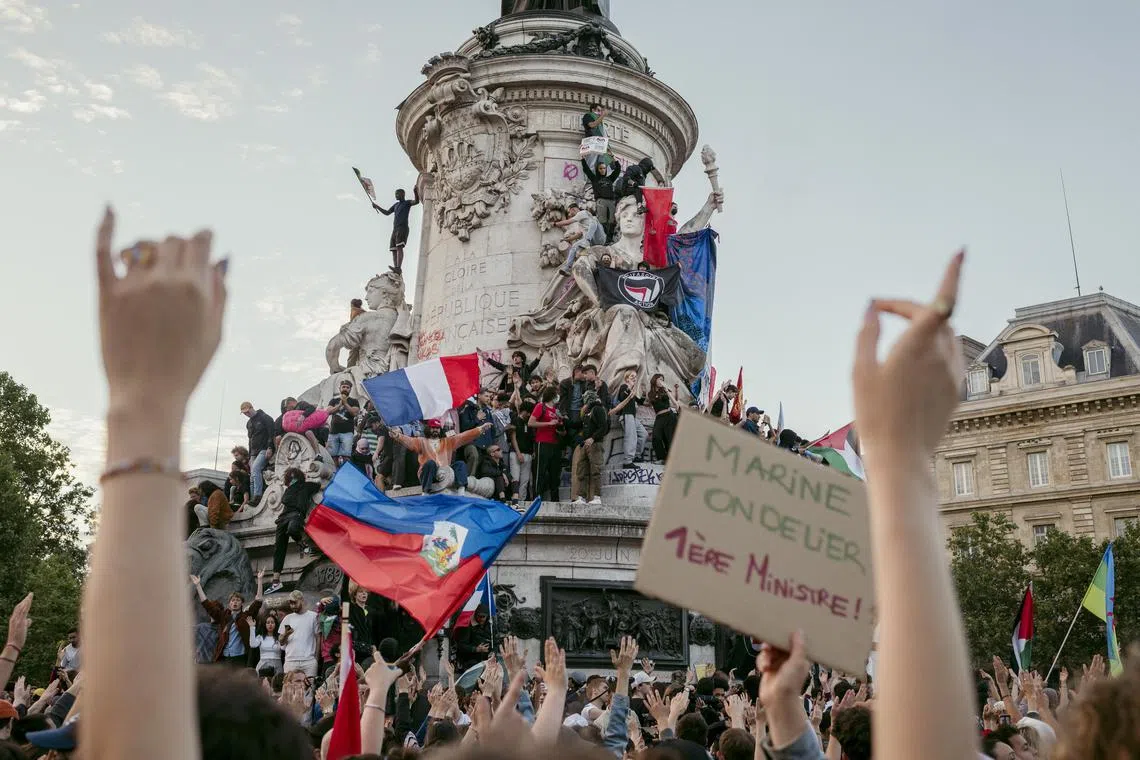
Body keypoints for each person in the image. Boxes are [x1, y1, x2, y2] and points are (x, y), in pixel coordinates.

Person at [389, 419, 491, 494]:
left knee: (460, 464)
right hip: (428, 473)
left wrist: (480, 429)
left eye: (437, 428)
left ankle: (461, 490)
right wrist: (397, 436)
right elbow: (409, 441)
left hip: (444, 473)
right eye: (433, 428)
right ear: (428, 429)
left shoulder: (448, 442)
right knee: (430, 463)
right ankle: (426, 491)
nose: (435, 430)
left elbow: (464, 436)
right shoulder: (421, 441)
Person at [191, 570, 265, 666]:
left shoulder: (246, 616)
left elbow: (258, 601)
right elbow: (207, 605)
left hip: (240, 657)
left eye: (238, 600)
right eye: (233, 600)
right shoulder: (224, 616)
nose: (235, 602)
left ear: (242, 603)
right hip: (225, 657)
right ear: (229, 604)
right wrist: (198, 586)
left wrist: (259, 580)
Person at [265, 467, 319, 595]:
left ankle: (303, 545)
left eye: (292, 477)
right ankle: (276, 581)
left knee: (292, 529)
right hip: (283, 518)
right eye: (289, 477)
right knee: (279, 547)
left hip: (296, 514)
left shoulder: (306, 486)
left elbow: (318, 485)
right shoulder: (288, 489)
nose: (291, 479)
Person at [373, 184, 422, 274]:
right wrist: (377, 206)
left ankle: (398, 267)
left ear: (402, 194)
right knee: (393, 249)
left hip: (402, 227)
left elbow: (416, 201)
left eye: (397, 194)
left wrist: (415, 192)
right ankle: (396, 268)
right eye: (395, 194)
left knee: (399, 247)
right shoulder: (396, 205)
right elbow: (387, 212)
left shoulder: (407, 203)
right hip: (395, 229)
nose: (396, 195)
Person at [572, 389, 607, 505]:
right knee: (582, 470)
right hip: (585, 444)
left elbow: (603, 427)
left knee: (595, 470)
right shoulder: (588, 411)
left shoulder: (598, 409)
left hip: (595, 444)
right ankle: (581, 497)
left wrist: (593, 438)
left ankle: (597, 497)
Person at [529, 385, 563, 502]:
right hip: (542, 442)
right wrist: (548, 424)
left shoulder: (556, 411)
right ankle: (537, 497)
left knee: (555, 472)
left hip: (555, 443)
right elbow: (531, 422)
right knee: (540, 471)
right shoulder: (540, 406)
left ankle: (555, 498)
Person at [554, 202, 606, 275]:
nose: (569, 214)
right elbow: (578, 235)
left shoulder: (582, 213)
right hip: (591, 241)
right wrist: (566, 240)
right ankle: (567, 268)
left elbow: (568, 222)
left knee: (593, 220)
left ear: (573, 210)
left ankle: (587, 240)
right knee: (574, 247)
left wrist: (555, 224)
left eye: (569, 212)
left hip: (599, 237)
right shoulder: (581, 223)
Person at [240, 401, 275, 506]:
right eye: (244, 413)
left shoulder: (265, 417)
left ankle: (258, 496)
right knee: (252, 476)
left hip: (264, 449)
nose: (246, 414)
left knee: (256, 469)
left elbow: (271, 433)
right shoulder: (249, 423)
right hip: (254, 452)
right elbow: (250, 441)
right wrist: (250, 456)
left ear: (251, 408)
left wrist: (270, 447)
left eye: (247, 411)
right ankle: (252, 498)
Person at [610, 369, 646, 469]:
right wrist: (629, 386)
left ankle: (636, 456)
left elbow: (641, 401)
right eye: (632, 376)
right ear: (626, 379)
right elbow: (622, 397)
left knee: (643, 434)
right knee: (631, 438)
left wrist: (644, 393)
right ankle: (627, 461)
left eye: (635, 376)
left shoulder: (632, 391)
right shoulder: (624, 387)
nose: (634, 378)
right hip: (626, 415)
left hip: (633, 417)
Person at [279, 590, 320, 678]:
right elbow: (281, 642)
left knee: (310, 689)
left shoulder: (313, 616)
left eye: (295, 603)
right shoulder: (287, 618)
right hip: (290, 660)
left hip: (309, 661)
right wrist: (286, 634)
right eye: (290, 603)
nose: (292, 606)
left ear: (301, 600)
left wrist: (316, 658)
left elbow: (318, 638)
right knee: (289, 689)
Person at [325, 379, 361, 465]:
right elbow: (328, 411)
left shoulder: (354, 401)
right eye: (343, 387)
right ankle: (336, 474)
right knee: (333, 456)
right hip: (333, 432)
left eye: (347, 387)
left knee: (346, 457)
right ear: (339, 388)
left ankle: (345, 474)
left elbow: (354, 412)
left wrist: (345, 403)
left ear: (350, 389)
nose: (345, 388)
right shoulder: (333, 400)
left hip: (347, 433)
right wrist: (339, 405)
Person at [581, 157, 617, 241]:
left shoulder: (610, 179)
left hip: (611, 201)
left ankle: (609, 239)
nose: (603, 170)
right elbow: (587, 170)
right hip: (601, 201)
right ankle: (603, 238)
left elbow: (618, 170)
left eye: (604, 168)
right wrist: (583, 159)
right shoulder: (595, 179)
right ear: (597, 169)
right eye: (600, 168)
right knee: (603, 221)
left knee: (612, 221)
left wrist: (613, 158)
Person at [647, 374, 679, 463]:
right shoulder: (650, 393)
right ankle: (662, 458)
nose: (661, 381)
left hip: (669, 416)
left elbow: (675, 401)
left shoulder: (665, 391)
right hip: (659, 417)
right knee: (656, 437)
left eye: (663, 379)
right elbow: (648, 402)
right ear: (655, 380)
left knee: (669, 438)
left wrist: (673, 390)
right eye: (660, 379)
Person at [453, 605, 493, 672]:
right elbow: (461, 645)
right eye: (479, 616)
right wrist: (476, 649)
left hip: (487, 661)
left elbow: (496, 642)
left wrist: (493, 651)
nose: (481, 619)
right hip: (472, 662)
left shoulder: (490, 626)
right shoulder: (468, 626)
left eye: (483, 617)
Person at [247, 612, 284, 676]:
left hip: (277, 664)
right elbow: (252, 645)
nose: (270, 625)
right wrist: (252, 627)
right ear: (265, 624)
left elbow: (284, 647)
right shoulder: (260, 637)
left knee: (276, 684)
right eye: (268, 622)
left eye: (272, 622)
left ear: (275, 624)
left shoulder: (279, 637)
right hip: (263, 664)